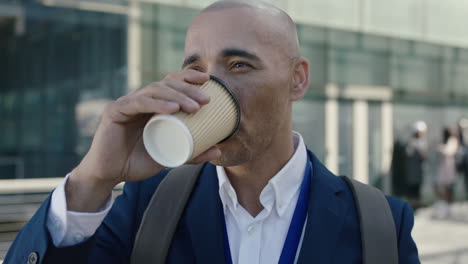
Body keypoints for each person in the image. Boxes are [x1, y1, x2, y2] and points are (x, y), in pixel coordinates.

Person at [4, 1, 420, 263]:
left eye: (239, 65)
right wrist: (93, 178)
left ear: (297, 79)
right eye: (196, 70)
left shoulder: (381, 222)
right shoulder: (146, 206)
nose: (207, 89)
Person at [433, 127, 459, 219]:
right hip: (443, 168)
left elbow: (448, 151)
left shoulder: (453, 140)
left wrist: (440, 148)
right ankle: (442, 205)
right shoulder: (443, 141)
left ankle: (448, 208)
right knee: (437, 186)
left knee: (448, 189)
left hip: (449, 168)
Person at [405, 121, 428, 209]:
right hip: (413, 171)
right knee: (412, 189)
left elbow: (425, 155)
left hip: (419, 170)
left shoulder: (422, 141)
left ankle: (417, 205)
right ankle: (412, 205)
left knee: (417, 189)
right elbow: (409, 153)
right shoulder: (411, 142)